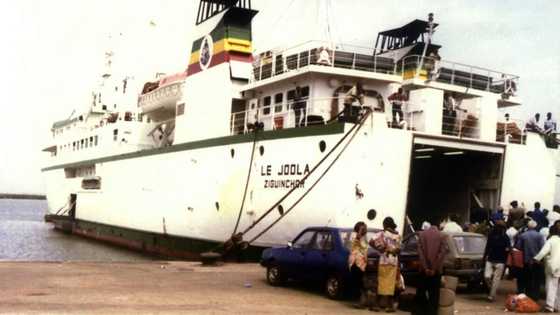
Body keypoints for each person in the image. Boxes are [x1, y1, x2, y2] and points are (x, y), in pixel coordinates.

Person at [414, 217, 449, 315]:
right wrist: (433, 269)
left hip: (423, 271)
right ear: (438, 224)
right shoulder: (442, 236)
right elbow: (441, 254)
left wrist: (426, 268)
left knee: (421, 293)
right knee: (434, 295)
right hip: (436, 271)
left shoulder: (422, 235)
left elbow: (420, 253)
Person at [371, 217, 401, 312]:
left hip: (384, 260)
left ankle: (376, 305)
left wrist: (379, 249)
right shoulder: (398, 235)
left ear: (385, 224)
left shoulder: (382, 233)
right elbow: (399, 250)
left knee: (381, 282)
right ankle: (390, 306)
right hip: (393, 261)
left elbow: (371, 241)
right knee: (390, 284)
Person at [515, 220, 545, 300]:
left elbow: (518, 247)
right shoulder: (539, 236)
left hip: (525, 260)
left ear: (528, 226)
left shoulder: (523, 235)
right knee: (536, 279)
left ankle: (523, 294)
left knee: (524, 278)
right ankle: (534, 296)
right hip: (536, 261)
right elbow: (542, 248)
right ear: (535, 226)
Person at [534, 225, 560, 312]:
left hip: (552, 266)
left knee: (551, 286)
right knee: (558, 287)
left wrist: (536, 259)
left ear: (551, 232)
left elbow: (543, 252)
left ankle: (549, 307)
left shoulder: (551, 240)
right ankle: (557, 306)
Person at [483, 221, 510, 301]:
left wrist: (507, 251)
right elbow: (487, 247)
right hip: (490, 259)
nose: (498, 228)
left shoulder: (505, 237)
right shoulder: (491, 235)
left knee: (496, 280)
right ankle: (492, 289)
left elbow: (509, 248)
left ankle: (491, 296)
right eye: (498, 226)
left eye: (500, 227)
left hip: (500, 261)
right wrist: (484, 257)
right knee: (486, 277)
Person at [348, 221, 369, 307]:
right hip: (355, 261)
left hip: (362, 262)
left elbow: (365, 248)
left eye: (364, 228)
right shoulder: (353, 234)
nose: (364, 230)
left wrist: (366, 258)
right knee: (356, 280)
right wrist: (360, 231)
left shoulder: (365, 238)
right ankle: (358, 300)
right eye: (362, 228)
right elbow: (356, 239)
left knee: (360, 280)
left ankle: (362, 301)